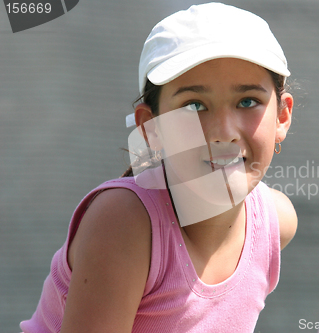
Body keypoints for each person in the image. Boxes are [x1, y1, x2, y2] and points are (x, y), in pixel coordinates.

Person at [20, 2, 297, 332]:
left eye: (247, 101)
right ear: (151, 129)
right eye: (194, 105)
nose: (224, 132)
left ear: (282, 116)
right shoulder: (122, 223)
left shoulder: (277, 221)